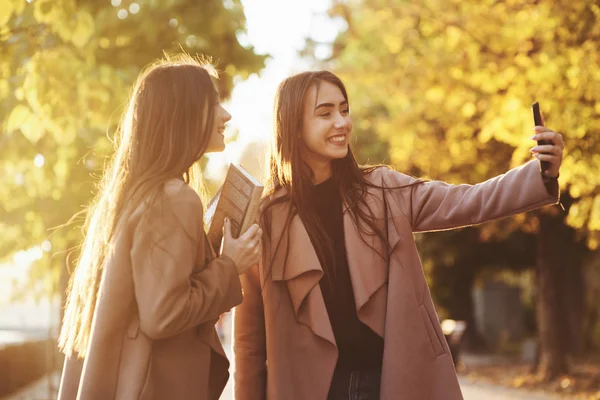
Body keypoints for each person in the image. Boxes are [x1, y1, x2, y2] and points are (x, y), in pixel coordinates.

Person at [233, 70, 564, 400]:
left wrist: (540, 173)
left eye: (344, 110)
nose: (341, 122)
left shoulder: (383, 190)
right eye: (325, 113)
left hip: (390, 383)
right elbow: (249, 343)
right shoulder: (266, 220)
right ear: (292, 124)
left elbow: (469, 200)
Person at [56, 54, 262, 400]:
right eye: (213, 104)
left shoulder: (133, 195)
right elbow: (162, 314)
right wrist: (230, 265)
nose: (225, 115)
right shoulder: (174, 198)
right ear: (183, 114)